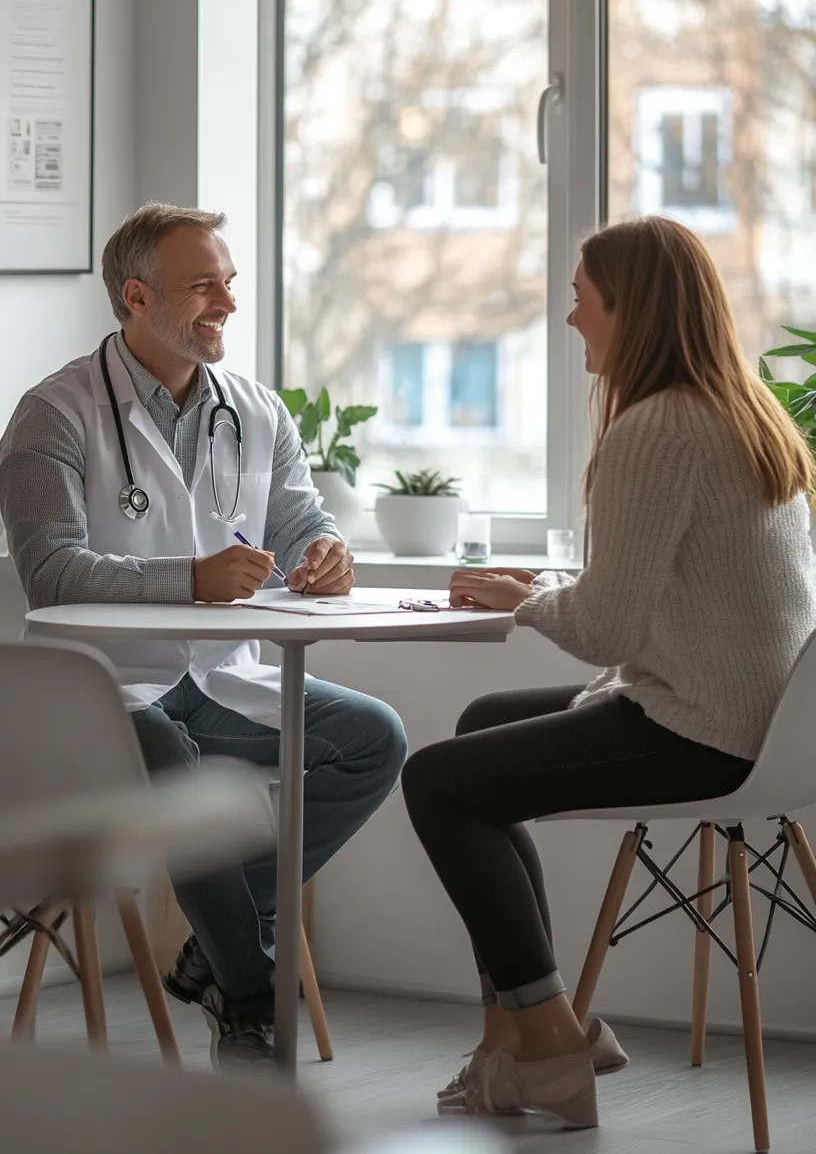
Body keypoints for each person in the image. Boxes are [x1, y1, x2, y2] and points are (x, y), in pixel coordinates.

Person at [401, 216, 816, 1128]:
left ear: (632, 310)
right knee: (478, 729)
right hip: (772, 728)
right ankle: (509, 1041)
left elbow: (602, 627)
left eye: (582, 300)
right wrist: (542, 587)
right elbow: (644, 611)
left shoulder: (656, 430)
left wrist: (522, 597)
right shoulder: (746, 410)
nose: (569, 319)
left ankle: (549, 1040)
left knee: (434, 779)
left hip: (700, 733)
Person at [0, 202, 407, 1070]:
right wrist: (189, 577)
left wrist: (326, 553)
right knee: (164, 751)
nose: (227, 301)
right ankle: (254, 999)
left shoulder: (255, 410)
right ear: (137, 298)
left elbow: (300, 521)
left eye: (228, 281)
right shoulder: (54, 415)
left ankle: (218, 943)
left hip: (221, 675)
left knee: (372, 738)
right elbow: (51, 574)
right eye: (203, 286)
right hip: (97, 692)